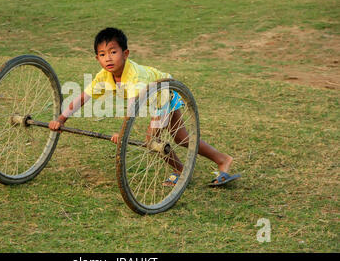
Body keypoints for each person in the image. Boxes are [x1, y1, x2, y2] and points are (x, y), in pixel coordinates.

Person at [49, 27, 240, 186]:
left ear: (125, 54)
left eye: (113, 52)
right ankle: (208, 163)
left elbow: (133, 107)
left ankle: (195, 166)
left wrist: (122, 132)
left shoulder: (134, 76)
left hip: (165, 93)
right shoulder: (103, 76)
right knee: (180, 138)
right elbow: (83, 97)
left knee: (153, 139)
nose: (108, 58)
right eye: (102, 54)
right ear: (97, 58)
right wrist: (61, 119)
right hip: (154, 98)